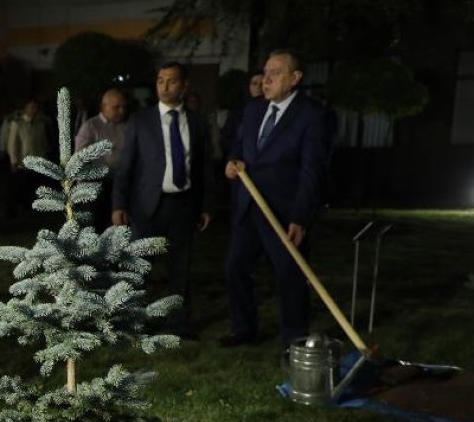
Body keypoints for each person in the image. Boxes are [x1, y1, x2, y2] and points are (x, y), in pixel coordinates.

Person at [221, 49, 329, 347]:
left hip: (283, 212)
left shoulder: (312, 115)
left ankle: (294, 340)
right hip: (249, 205)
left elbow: (312, 171)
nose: (266, 80)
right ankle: (244, 329)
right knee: (235, 268)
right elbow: (240, 145)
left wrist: (301, 217)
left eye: (275, 73)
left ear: (295, 78)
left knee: (289, 275)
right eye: (265, 72)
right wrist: (232, 161)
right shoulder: (253, 110)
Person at [111, 61, 213, 338]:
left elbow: (204, 167)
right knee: (139, 267)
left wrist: (206, 205)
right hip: (147, 206)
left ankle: (180, 324)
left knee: (181, 268)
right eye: (160, 80)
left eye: (171, 81)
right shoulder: (140, 121)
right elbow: (125, 166)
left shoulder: (198, 122)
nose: (164, 86)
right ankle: (134, 322)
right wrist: (118, 204)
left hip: (184, 206)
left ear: (184, 86)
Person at [73, 87, 129, 227]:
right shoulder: (91, 127)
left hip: (117, 185)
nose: (121, 111)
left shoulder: (125, 127)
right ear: (104, 107)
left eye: (123, 107)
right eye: (116, 107)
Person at [3, 98, 51, 217]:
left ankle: (34, 211)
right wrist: (14, 160)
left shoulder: (40, 124)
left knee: (35, 188)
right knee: (17, 189)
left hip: (37, 162)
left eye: (36, 108)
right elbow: (12, 143)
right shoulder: (18, 124)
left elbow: (43, 143)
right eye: (31, 107)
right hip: (22, 162)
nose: (34, 110)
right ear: (25, 109)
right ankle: (12, 212)